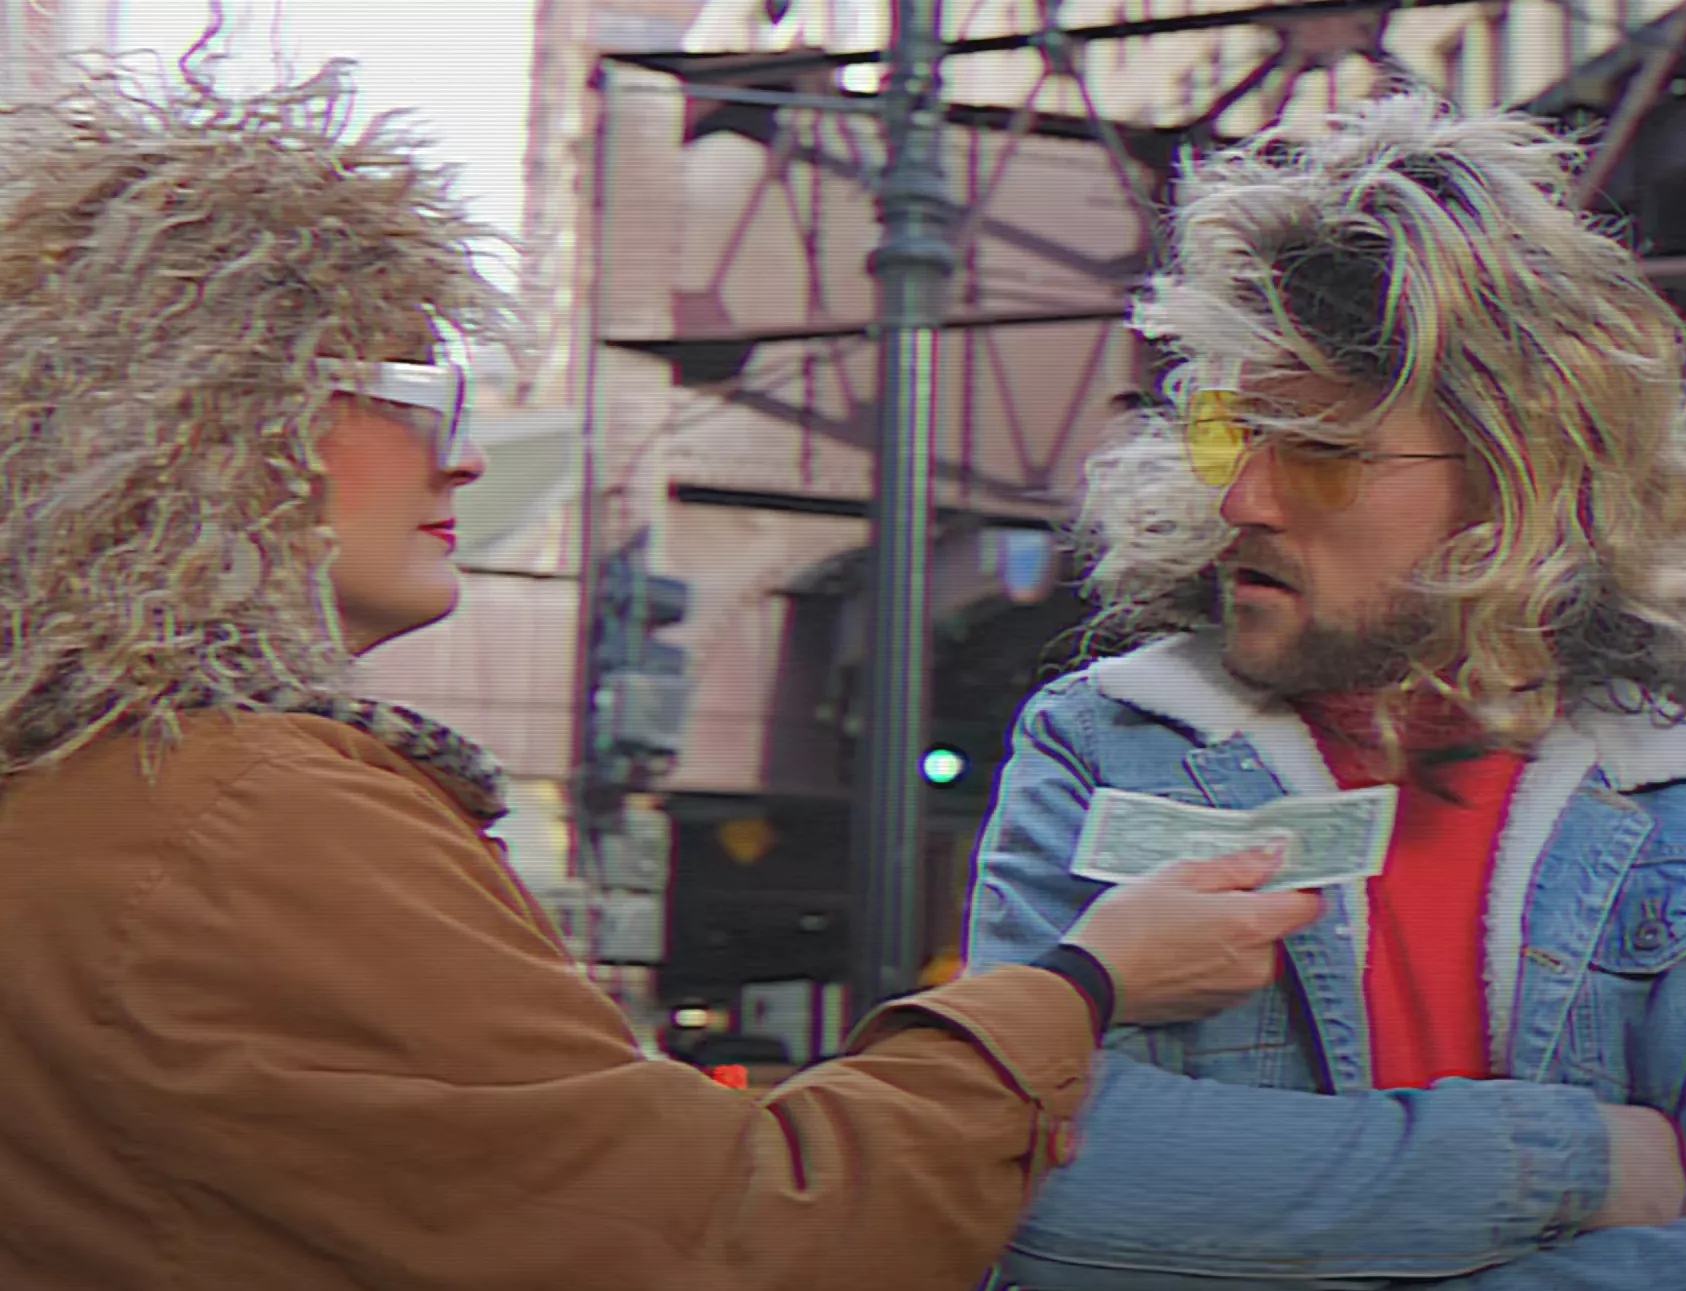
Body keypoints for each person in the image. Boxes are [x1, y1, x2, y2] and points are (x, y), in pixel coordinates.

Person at [0, 48, 1325, 1291]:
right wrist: (1081, 983)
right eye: (422, 392)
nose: (465, 456)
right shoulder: (251, 809)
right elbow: (741, 1229)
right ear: (228, 417)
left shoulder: (92, 788)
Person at [967, 91, 1686, 1290]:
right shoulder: (1108, 743)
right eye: (1230, 433)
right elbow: (1018, 1184)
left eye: (1321, 452)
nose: (1241, 498)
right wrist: (1566, 1163)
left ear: (1516, 483)